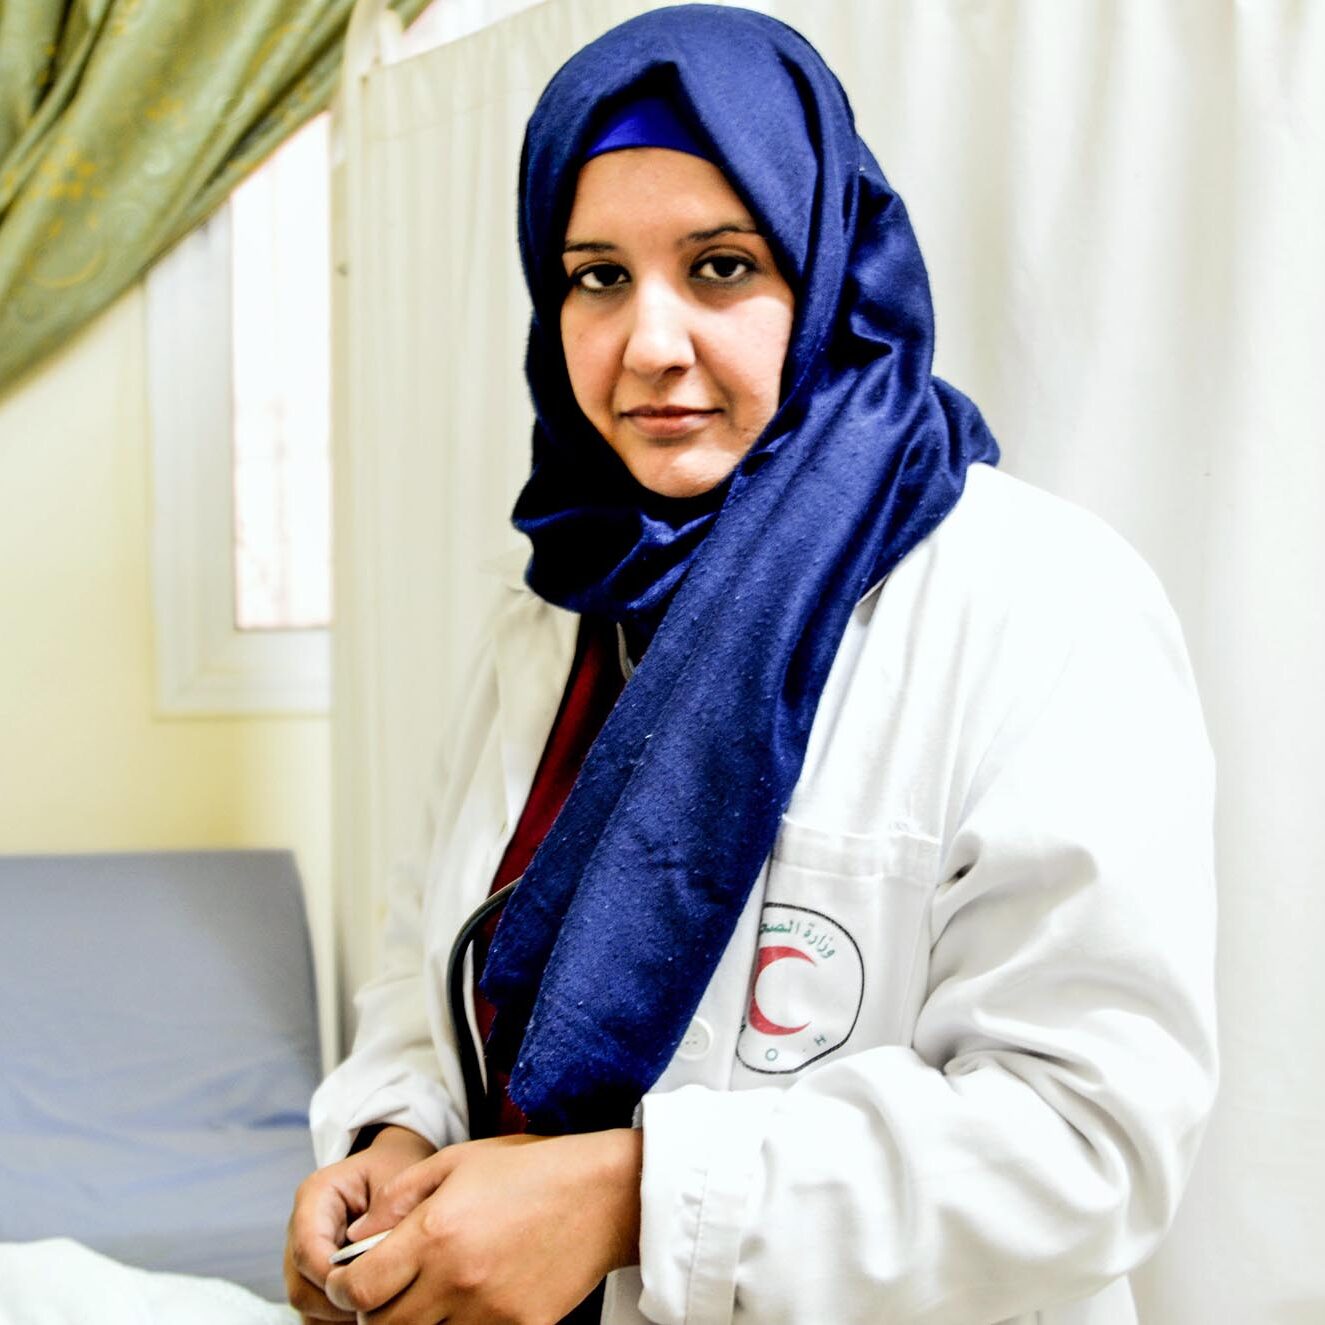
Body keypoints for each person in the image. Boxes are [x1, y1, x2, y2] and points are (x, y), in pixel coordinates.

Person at [284, 6, 1218, 1323]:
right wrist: (394, 1137)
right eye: (594, 275)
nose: (648, 344)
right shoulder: (555, 609)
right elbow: (425, 955)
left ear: (830, 269)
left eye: (720, 266)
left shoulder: (1036, 601)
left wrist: (627, 1197)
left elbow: (1085, 1145)